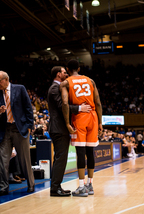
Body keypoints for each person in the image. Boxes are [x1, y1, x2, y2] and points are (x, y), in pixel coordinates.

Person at [60, 59, 102, 197]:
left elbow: (65, 103)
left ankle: (82, 186)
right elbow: (98, 103)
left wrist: (67, 123)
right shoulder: (91, 81)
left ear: (67, 69)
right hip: (93, 117)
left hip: (80, 118)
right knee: (90, 152)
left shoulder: (65, 83)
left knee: (80, 152)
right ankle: (90, 185)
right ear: (79, 68)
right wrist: (100, 122)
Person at [47, 66, 91, 197]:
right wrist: (79, 108)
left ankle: (56, 186)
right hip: (58, 128)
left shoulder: (58, 87)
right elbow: (62, 106)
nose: (66, 74)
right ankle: (55, 188)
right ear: (58, 74)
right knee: (60, 158)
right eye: (64, 72)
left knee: (61, 158)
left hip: (59, 128)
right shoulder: (55, 88)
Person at [0, 71, 35, 196]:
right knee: (3, 160)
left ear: (6, 79)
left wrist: (29, 126)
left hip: (19, 128)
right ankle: (4, 188)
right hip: (4, 129)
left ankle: (31, 185)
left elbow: (28, 108)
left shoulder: (19, 89)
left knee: (24, 159)